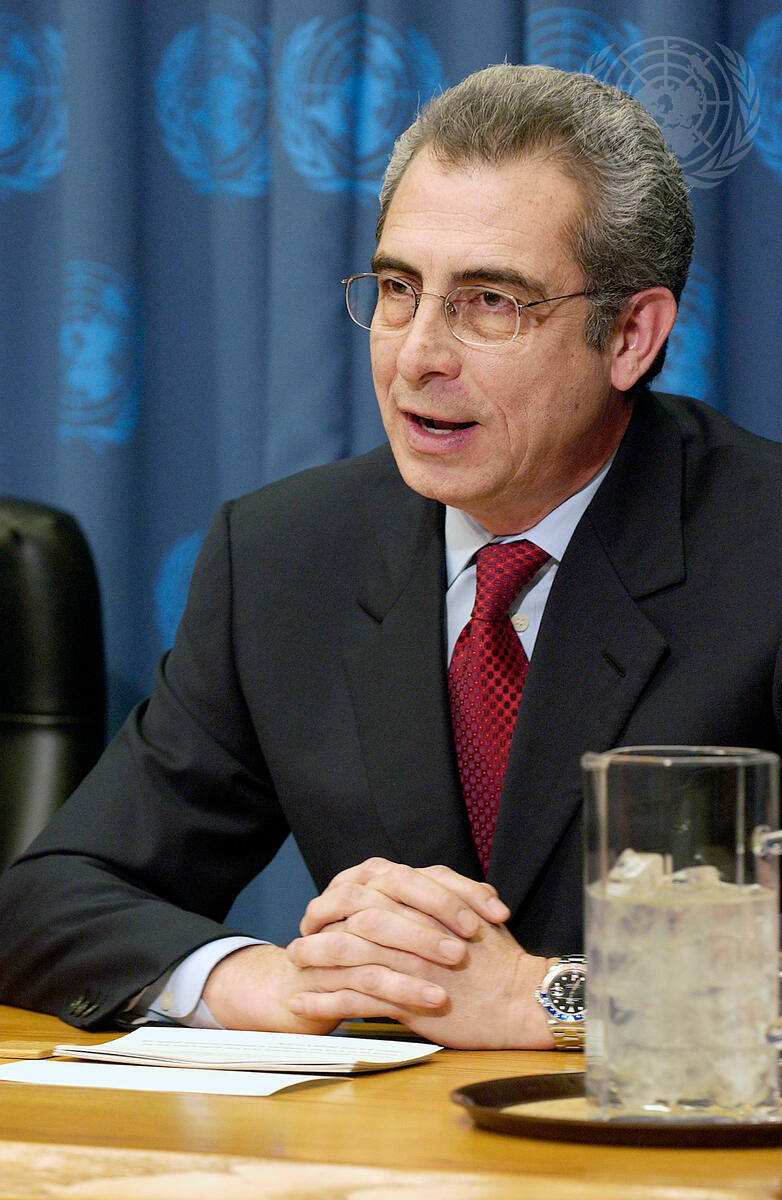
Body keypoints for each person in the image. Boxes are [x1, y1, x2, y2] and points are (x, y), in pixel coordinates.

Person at [1, 63, 781, 1050]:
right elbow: (49, 899)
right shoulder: (286, 556)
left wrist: (547, 999)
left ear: (630, 335)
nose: (416, 355)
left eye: (489, 302)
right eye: (400, 289)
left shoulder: (762, 548)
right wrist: (266, 982)